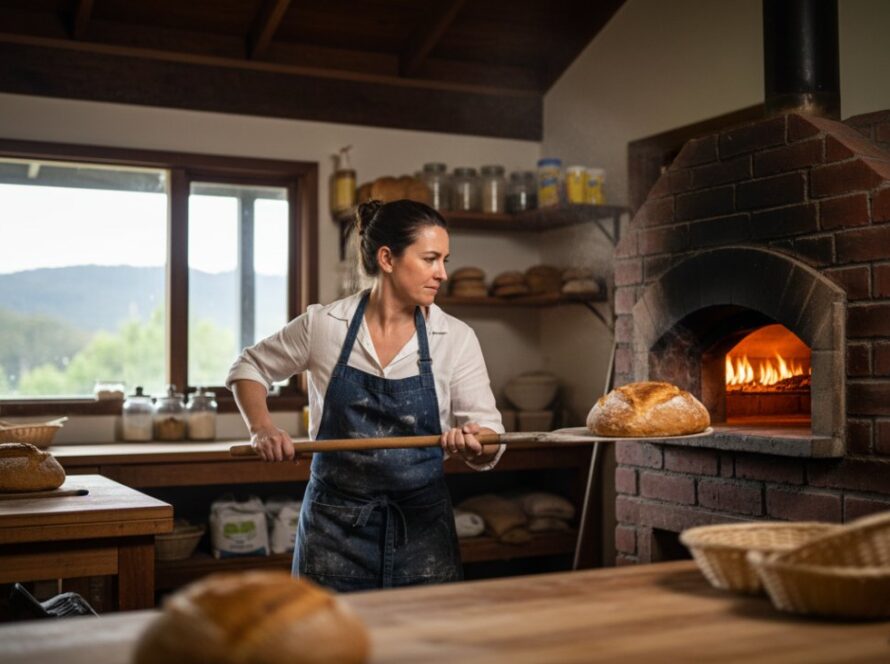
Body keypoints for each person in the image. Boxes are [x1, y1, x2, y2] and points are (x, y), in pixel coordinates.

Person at [226, 199, 504, 592]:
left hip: (422, 531)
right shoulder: (326, 326)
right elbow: (248, 367)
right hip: (333, 532)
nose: (442, 273)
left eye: (445, 260)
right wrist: (262, 428)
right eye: (430, 259)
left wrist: (476, 443)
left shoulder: (454, 338)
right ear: (387, 258)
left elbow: (491, 434)